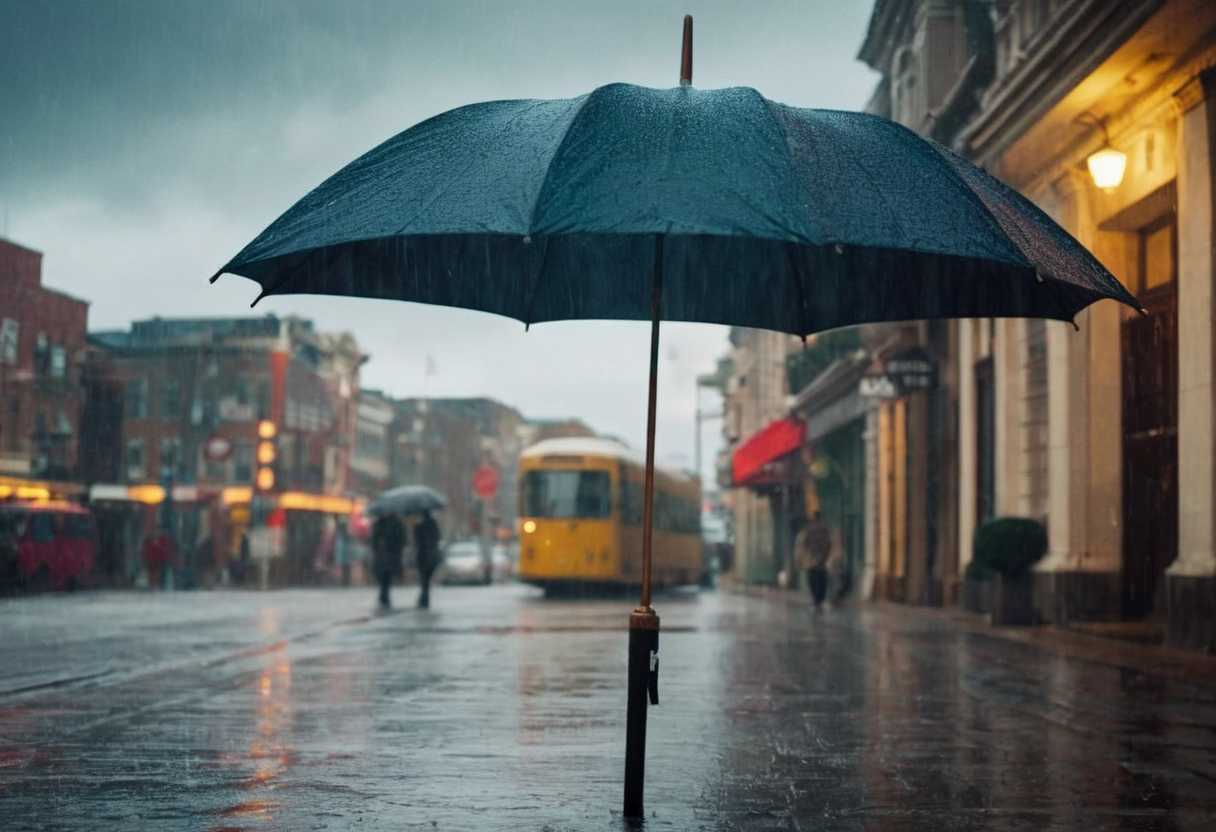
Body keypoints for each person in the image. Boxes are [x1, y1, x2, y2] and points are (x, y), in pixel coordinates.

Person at [795, 511, 832, 609]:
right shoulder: (825, 528)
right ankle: (820, 599)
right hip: (822, 559)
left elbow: (804, 544)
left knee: (813, 580)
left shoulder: (808, 529)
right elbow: (828, 543)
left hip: (812, 559)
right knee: (822, 580)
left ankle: (816, 600)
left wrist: (804, 558)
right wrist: (825, 555)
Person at [371, 512, 405, 609]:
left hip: (382, 556)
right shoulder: (397, 524)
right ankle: (384, 595)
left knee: (384, 576)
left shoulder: (379, 524)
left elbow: (373, 541)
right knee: (387, 576)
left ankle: (383, 595)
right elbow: (402, 540)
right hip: (390, 556)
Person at [414, 510, 441, 609]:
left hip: (423, 556)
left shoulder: (419, 526)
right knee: (426, 579)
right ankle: (424, 597)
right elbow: (438, 537)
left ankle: (424, 597)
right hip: (432, 556)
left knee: (424, 578)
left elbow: (416, 541)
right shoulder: (434, 526)